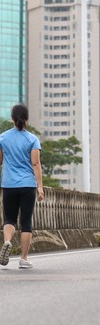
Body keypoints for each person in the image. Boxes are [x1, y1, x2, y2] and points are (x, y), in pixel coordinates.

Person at [0, 104, 44, 269]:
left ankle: (7, 241)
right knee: (26, 222)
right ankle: (23, 259)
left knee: (9, 219)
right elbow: (35, 164)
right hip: (27, 185)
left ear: (12, 118)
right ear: (27, 118)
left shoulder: (2, 138)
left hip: (8, 184)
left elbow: (0, 161)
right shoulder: (32, 139)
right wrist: (40, 187)